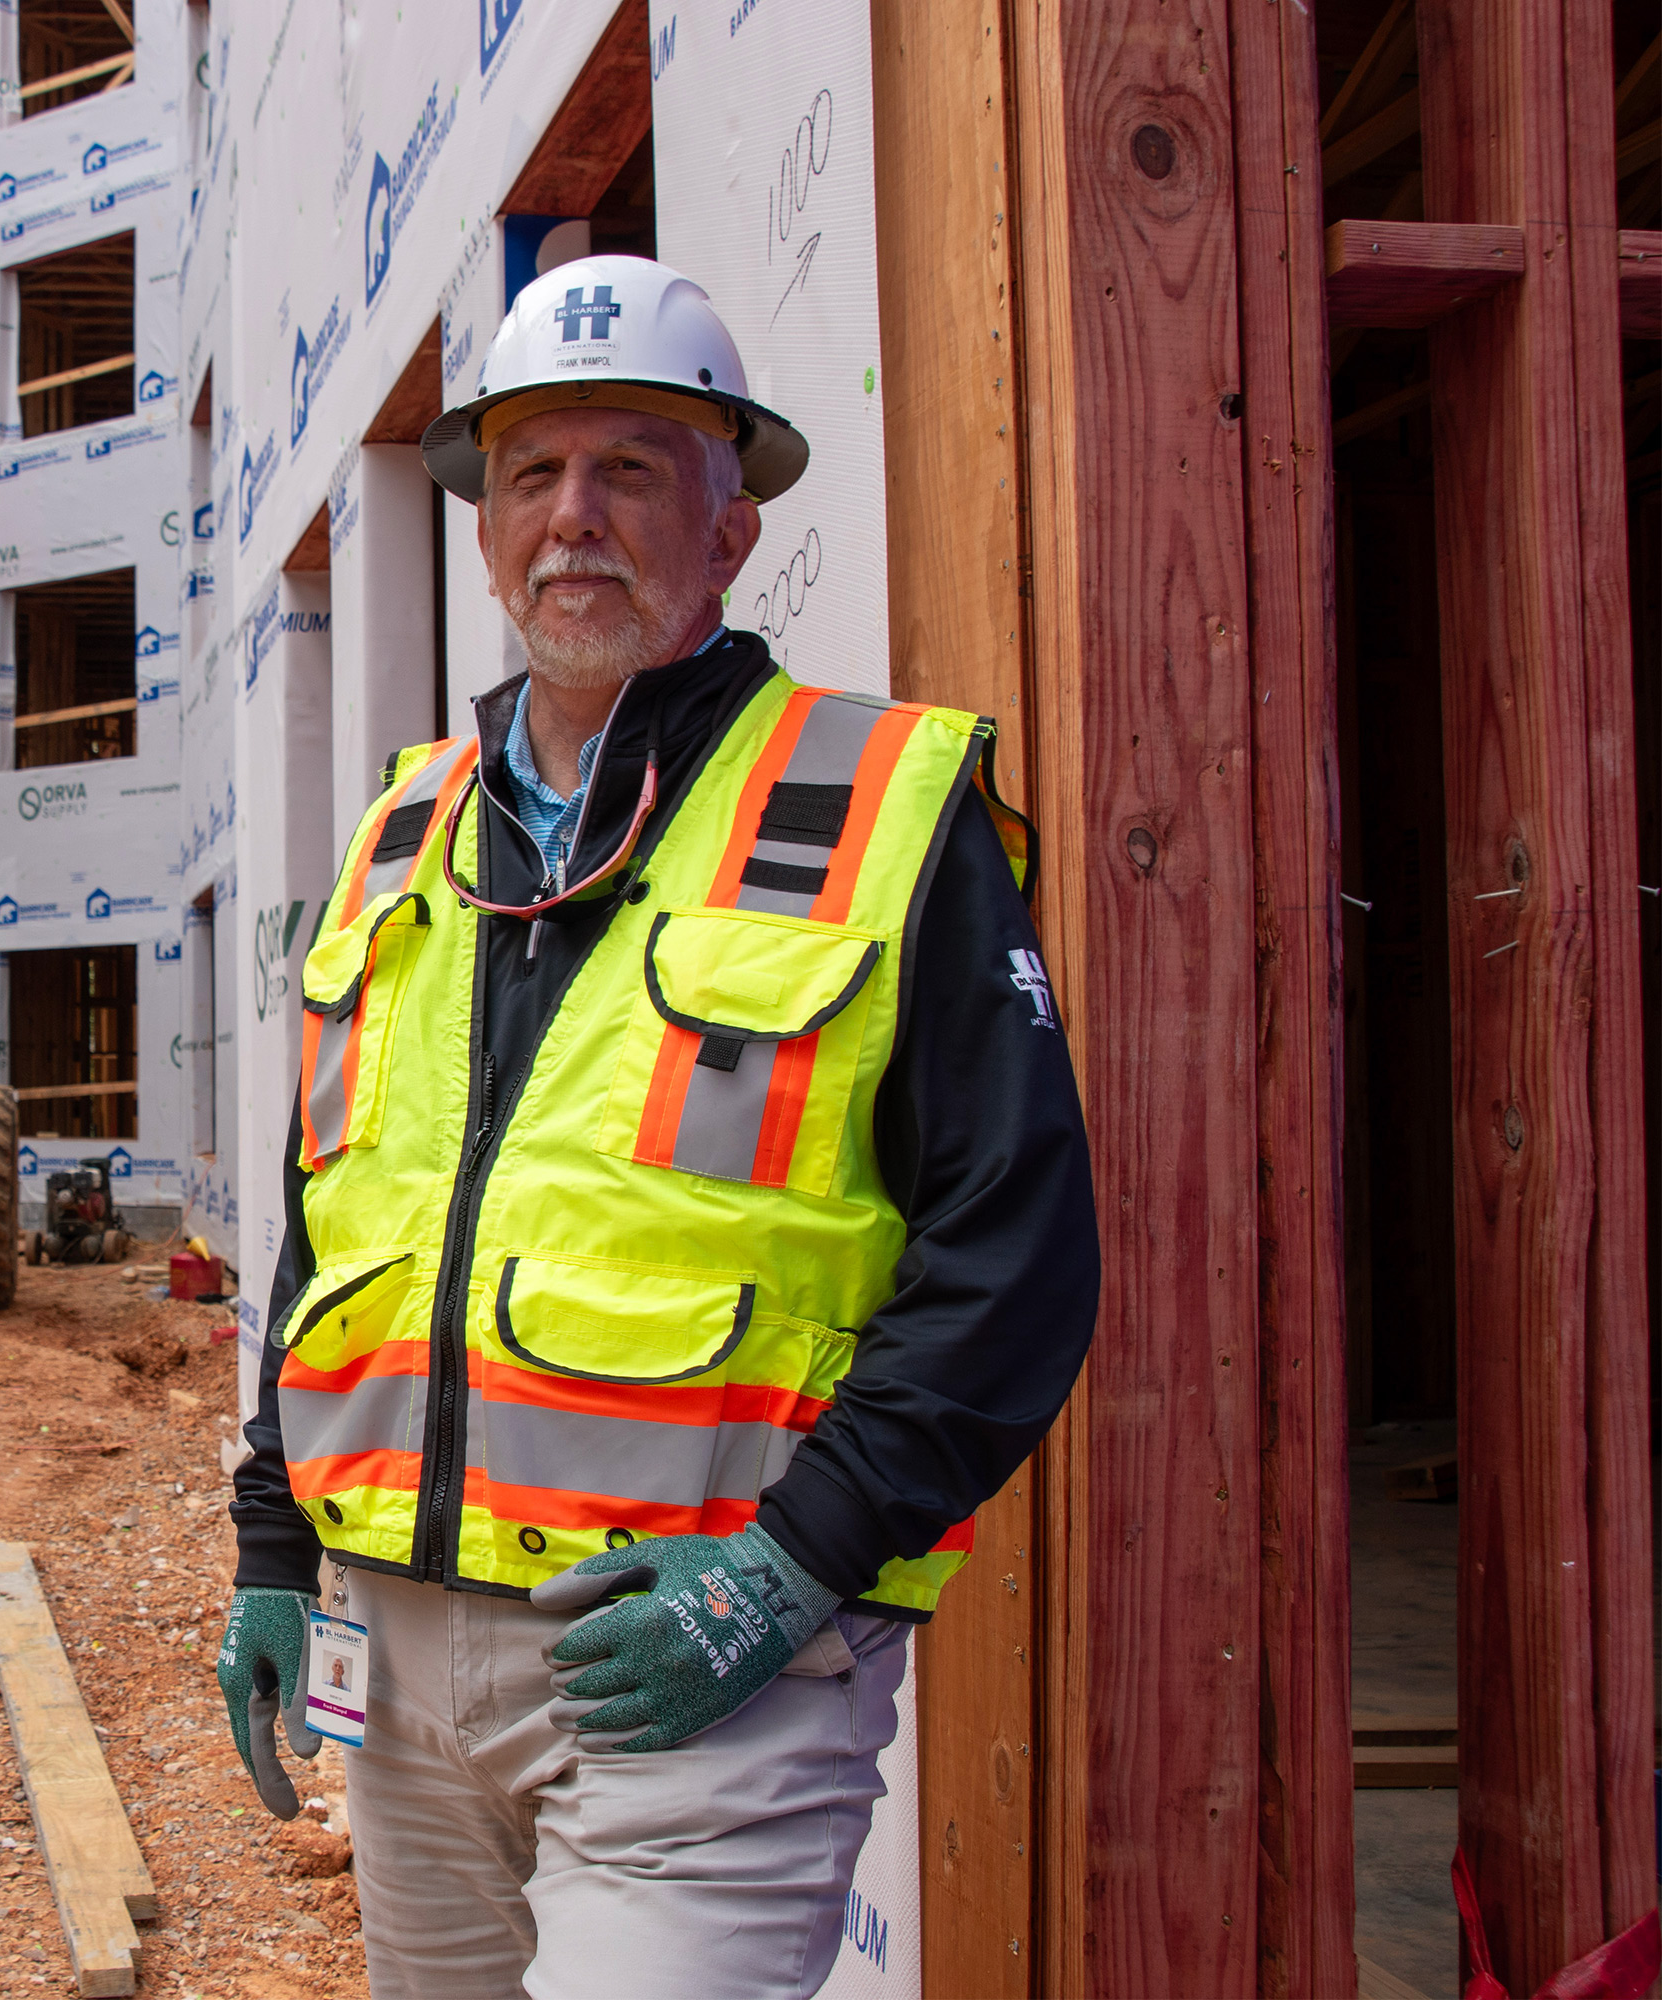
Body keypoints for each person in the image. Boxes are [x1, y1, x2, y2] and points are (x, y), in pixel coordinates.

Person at [215, 255, 1100, 1999]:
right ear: (482, 527)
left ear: (729, 529)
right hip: (396, 1671)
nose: (574, 519)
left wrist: (791, 1570)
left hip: (704, 1657)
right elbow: (345, 1217)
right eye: (534, 472)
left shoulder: (880, 808)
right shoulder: (410, 830)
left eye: (633, 468)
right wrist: (271, 1540)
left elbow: (1019, 1256)